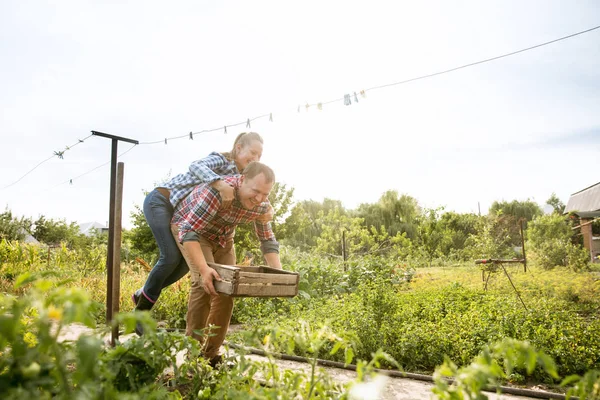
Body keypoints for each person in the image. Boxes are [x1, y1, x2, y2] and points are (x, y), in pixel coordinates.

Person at [133, 132, 271, 324]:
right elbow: (196, 166)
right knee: (171, 256)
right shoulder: (222, 161)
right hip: (163, 202)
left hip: (185, 216)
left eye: (259, 156)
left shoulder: (243, 177)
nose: (255, 159)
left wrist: (265, 208)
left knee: (185, 265)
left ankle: (144, 292)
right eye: (252, 152)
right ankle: (140, 311)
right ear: (238, 147)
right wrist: (219, 183)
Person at [170, 161, 282, 366]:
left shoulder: (261, 205)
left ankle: (211, 354)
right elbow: (188, 232)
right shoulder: (216, 194)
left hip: (223, 237)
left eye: (265, 194)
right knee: (205, 285)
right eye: (255, 191)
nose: (259, 199)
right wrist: (204, 269)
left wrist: (280, 274)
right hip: (191, 230)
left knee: (227, 288)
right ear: (241, 180)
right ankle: (193, 357)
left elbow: (267, 239)